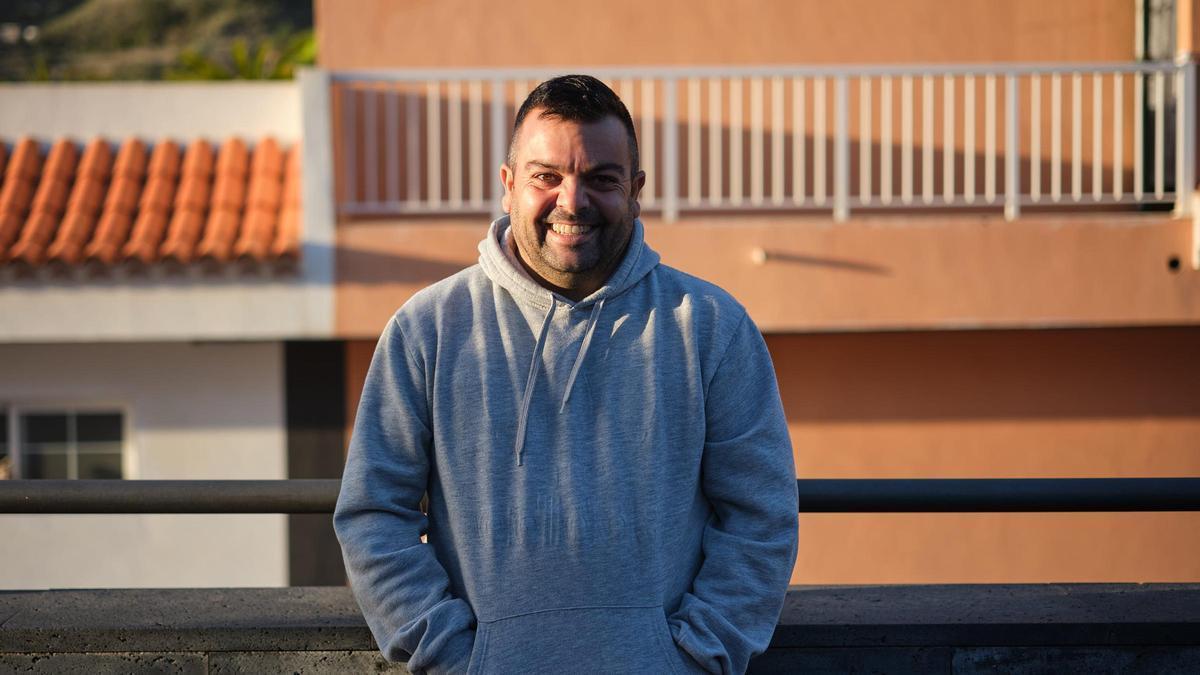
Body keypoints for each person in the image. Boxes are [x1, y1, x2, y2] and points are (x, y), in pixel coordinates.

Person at [334, 74, 799, 675]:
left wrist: (693, 659)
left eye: (601, 179)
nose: (572, 201)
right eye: (546, 176)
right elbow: (373, 514)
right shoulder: (428, 329)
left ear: (635, 191)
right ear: (508, 187)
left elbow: (761, 517)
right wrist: (453, 659)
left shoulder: (711, 327)